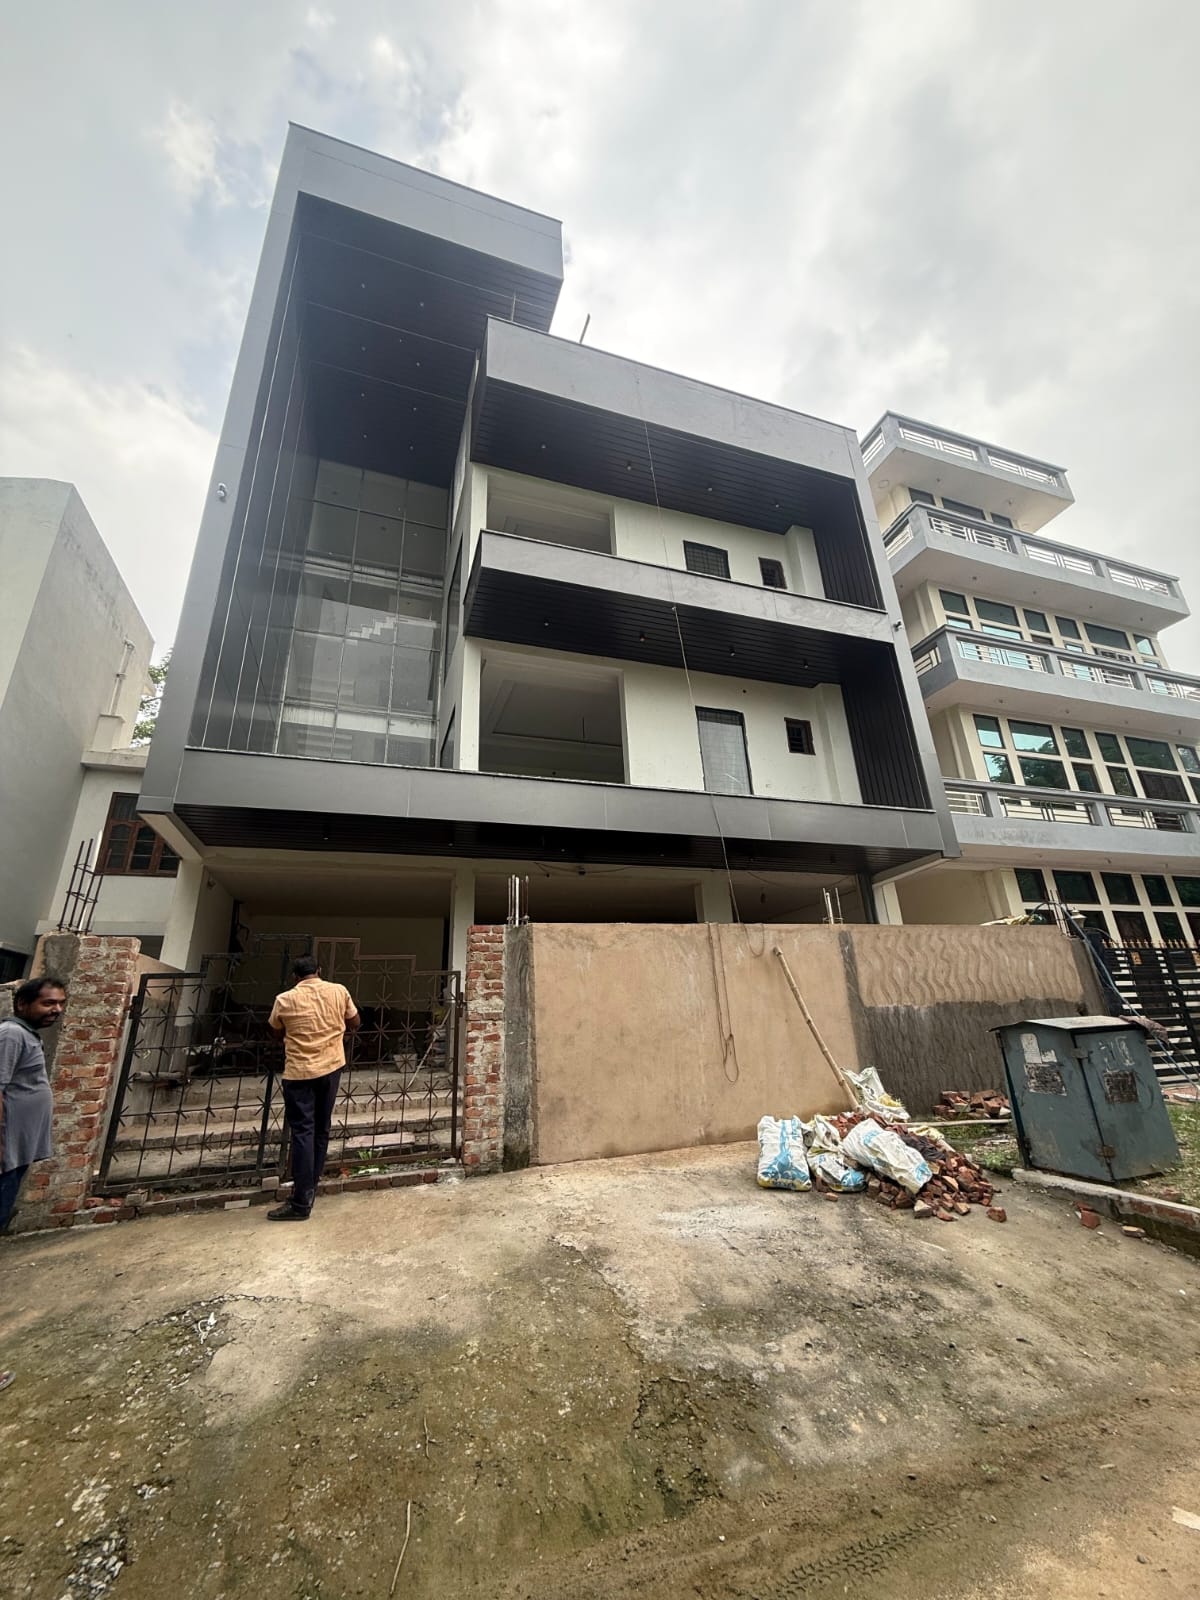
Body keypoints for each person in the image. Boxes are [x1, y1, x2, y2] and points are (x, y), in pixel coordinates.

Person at [1, 975, 67, 1394]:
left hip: (16, 1151)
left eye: (60, 1003)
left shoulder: (24, 1035)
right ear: (23, 1003)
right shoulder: (10, 1034)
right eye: (47, 1003)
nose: (56, 1010)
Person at [266, 956, 359, 1221]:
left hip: (300, 1072)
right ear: (319, 971)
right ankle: (310, 1187)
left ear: (295, 976)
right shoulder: (339, 991)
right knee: (321, 1128)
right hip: (331, 1068)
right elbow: (355, 1022)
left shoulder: (284, 999)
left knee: (303, 1132)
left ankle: (301, 1199)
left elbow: (274, 1031)